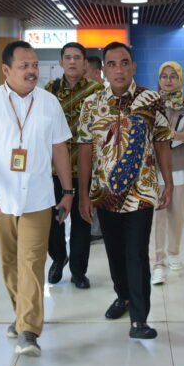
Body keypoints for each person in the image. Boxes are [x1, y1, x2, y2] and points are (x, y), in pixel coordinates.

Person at [0, 40, 74, 358]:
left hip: (38, 197)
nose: (32, 71)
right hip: (1, 197)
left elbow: (60, 149)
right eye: (24, 66)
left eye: (35, 65)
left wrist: (68, 191)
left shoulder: (49, 103)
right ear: (6, 70)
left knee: (31, 262)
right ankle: (20, 314)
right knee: (9, 262)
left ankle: (29, 330)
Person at [77, 41, 173, 340]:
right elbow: (84, 150)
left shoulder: (151, 99)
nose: (118, 69)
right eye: (112, 64)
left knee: (137, 254)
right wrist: (82, 194)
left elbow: (161, 142)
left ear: (133, 66)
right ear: (104, 70)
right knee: (115, 252)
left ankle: (139, 319)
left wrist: (168, 182)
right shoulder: (91, 104)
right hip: (104, 193)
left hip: (141, 192)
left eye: (124, 63)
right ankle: (123, 296)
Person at [44, 42, 103, 288]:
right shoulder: (50, 90)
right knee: (52, 220)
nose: (72, 62)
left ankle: (78, 271)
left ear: (85, 63)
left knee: (82, 220)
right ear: (61, 62)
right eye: (67, 57)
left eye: (77, 57)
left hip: (84, 167)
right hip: (53, 168)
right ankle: (59, 258)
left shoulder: (96, 90)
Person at [150, 61, 184, 285]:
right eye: (164, 76)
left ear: (180, 79)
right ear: (159, 80)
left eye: (173, 76)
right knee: (159, 215)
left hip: (181, 166)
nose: (169, 80)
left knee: (177, 214)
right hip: (156, 168)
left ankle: (174, 252)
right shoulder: (151, 105)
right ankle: (158, 262)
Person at [84, 54, 105, 243]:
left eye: (86, 71)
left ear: (98, 72)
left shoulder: (105, 98)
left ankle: (97, 230)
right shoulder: (87, 97)